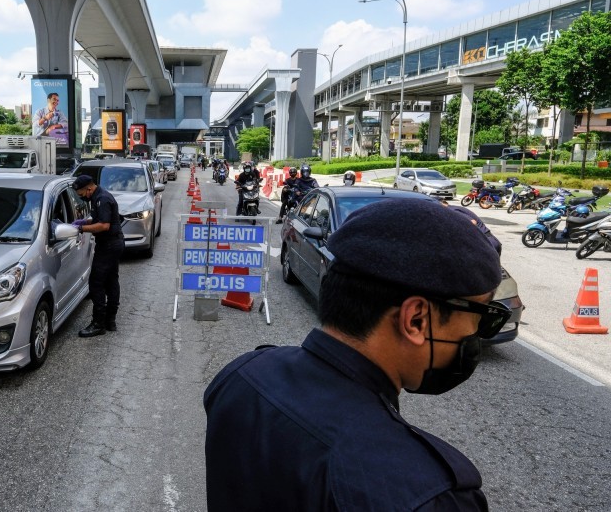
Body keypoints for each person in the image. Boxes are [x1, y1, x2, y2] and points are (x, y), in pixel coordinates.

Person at [204, 198, 511, 511]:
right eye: (479, 315)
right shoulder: (430, 495)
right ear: (416, 319)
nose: (477, 334)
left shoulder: (241, 376)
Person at [71, 175, 125, 337]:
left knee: (96, 283)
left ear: (89, 188)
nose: (81, 197)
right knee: (111, 281)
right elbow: (99, 220)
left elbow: (104, 225)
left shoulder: (101, 198)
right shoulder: (99, 196)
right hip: (113, 244)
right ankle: (110, 321)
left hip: (109, 246)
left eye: (81, 194)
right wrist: (84, 222)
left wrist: (80, 229)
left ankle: (98, 323)